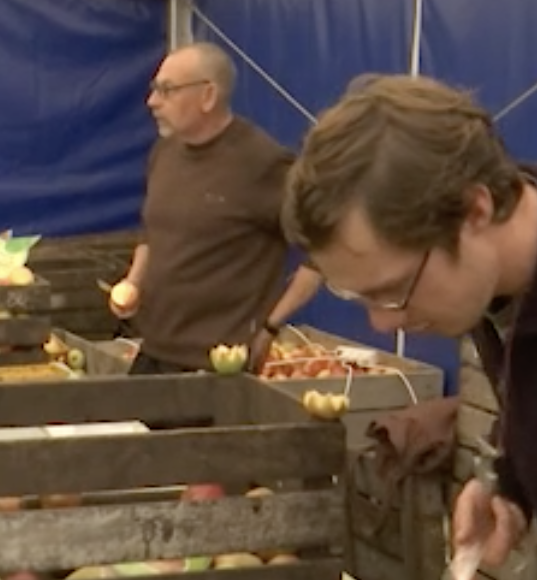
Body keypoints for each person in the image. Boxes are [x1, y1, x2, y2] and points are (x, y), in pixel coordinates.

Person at [282, 73, 536, 568]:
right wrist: (514, 486)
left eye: (393, 289)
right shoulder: (499, 286)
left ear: (474, 209)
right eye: (356, 294)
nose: (380, 323)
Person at [110, 42, 321, 374]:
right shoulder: (163, 153)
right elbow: (152, 232)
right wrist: (133, 282)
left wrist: (270, 327)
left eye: (167, 90)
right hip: (153, 349)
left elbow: (320, 251)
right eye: (154, 90)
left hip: (218, 367)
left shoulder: (262, 163)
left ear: (208, 95)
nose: (152, 102)